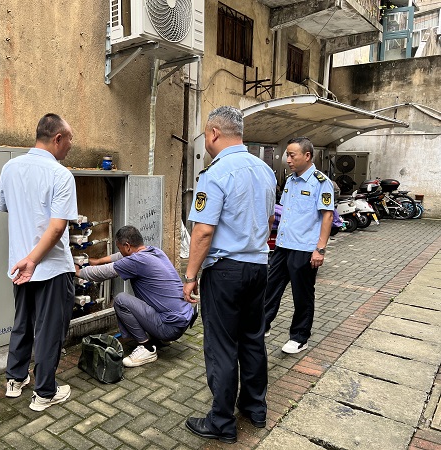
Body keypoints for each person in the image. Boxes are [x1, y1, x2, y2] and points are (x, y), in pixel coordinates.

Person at [183, 106, 277, 444]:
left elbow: (203, 231)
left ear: (213, 133)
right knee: (252, 338)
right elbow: (269, 221)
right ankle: (255, 408)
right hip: (259, 266)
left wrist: (190, 276)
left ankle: (221, 422)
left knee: (222, 345)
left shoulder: (215, 173)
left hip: (225, 270)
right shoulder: (265, 171)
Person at [0, 113, 78, 412]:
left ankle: (15, 380)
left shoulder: (10, 167)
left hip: (20, 265)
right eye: (69, 139)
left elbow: (4, 206)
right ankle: (44, 393)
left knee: (23, 322)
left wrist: (26, 257)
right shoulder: (60, 175)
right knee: (49, 331)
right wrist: (34, 259)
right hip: (50, 267)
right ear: (58, 138)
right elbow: (56, 228)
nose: (71, 145)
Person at [76, 225, 194, 367]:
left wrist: (77, 272)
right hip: (182, 320)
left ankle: (147, 348)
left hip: (170, 327)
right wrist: (97, 261)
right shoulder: (155, 251)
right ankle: (159, 338)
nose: (120, 251)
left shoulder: (136, 261)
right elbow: (120, 256)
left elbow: (102, 273)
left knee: (121, 300)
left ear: (127, 246)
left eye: (119, 248)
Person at [264, 137, 334, 354]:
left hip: (304, 248)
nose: (288, 160)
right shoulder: (290, 181)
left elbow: (328, 216)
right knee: (270, 288)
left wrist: (320, 249)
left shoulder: (321, 182)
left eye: (292, 155)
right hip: (283, 245)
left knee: (302, 295)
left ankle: (299, 337)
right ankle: (262, 325)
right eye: (287, 155)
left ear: (307, 156)